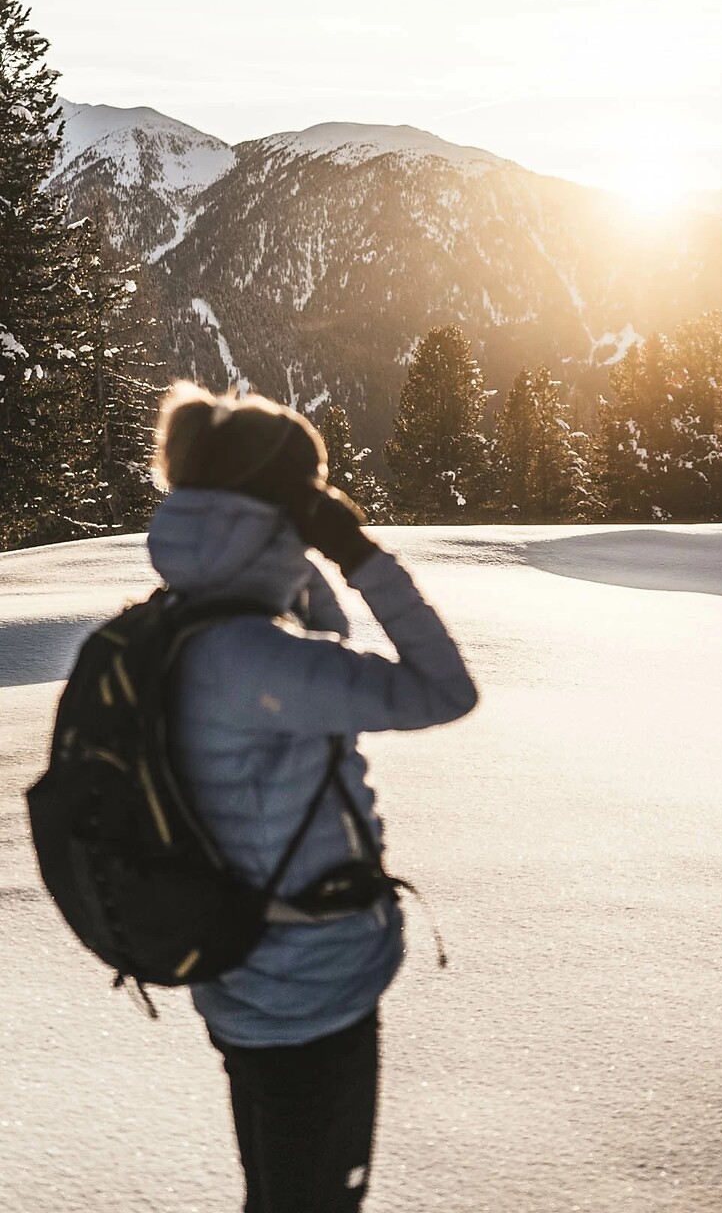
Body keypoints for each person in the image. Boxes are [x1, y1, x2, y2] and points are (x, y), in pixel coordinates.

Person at [147, 381, 478, 1213]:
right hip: (310, 997)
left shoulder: (178, 624)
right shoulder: (258, 663)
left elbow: (318, 652)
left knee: (279, 1191)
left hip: (241, 979)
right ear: (277, 513)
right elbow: (445, 690)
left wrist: (286, 552)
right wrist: (357, 552)